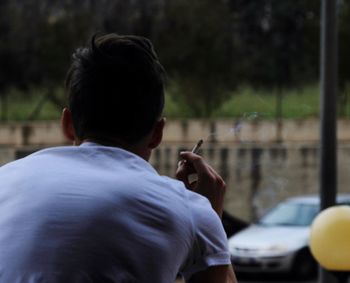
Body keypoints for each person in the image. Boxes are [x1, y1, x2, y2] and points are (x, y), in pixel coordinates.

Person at [0, 33, 237, 283]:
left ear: (68, 124)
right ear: (157, 134)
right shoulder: (189, 210)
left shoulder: (5, 180)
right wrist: (210, 218)